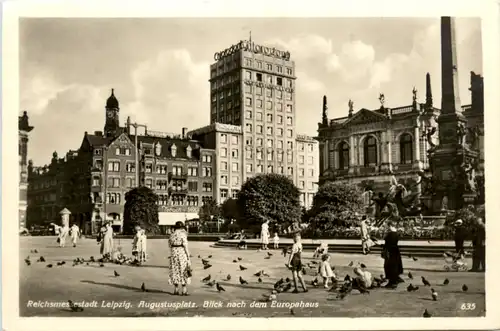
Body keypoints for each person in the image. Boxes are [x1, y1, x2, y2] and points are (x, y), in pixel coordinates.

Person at [169, 221, 192, 296]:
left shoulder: (172, 235)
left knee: (175, 270)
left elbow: (169, 245)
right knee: (183, 270)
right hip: (181, 253)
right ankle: (184, 290)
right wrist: (188, 256)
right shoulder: (183, 234)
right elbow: (185, 245)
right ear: (182, 227)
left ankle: (176, 289)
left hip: (174, 253)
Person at [381, 221, 403, 288]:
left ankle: (392, 282)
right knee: (395, 266)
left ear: (390, 225)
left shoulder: (390, 234)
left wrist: (383, 246)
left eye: (387, 226)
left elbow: (388, 244)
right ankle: (395, 279)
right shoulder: (395, 233)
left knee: (389, 266)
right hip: (395, 251)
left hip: (390, 252)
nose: (386, 227)